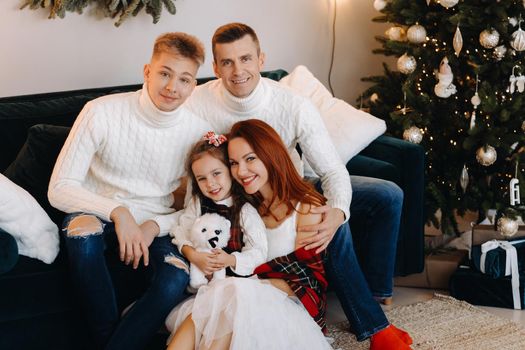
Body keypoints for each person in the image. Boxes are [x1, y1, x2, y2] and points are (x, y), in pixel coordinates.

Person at [184, 22, 407, 345]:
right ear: (215, 68)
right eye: (227, 62)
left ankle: (377, 294)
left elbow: (332, 170)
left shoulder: (292, 104)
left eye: (245, 59)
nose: (238, 71)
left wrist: (339, 211)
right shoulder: (198, 103)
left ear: (261, 59)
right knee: (325, 220)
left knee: (383, 196)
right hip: (245, 193)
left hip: (293, 183)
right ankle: (375, 328)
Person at [48, 32, 212, 350]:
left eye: (184, 79)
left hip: (156, 221)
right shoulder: (100, 111)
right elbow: (59, 188)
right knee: (82, 237)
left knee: (175, 279)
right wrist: (118, 212)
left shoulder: (196, 132)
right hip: (95, 211)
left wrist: (153, 226)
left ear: (193, 85)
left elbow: (197, 209)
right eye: (164, 73)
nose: (172, 87)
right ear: (147, 71)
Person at [167, 119, 334, 350]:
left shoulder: (307, 207)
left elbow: (308, 281)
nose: (241, 171)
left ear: (270, 154)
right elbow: (185, 219)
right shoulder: (243, 201)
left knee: (231, 295)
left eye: (250, 159)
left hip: (289, 305)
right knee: (225, 300)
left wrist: (245, 287)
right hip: (237, 295)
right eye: (234, 163)